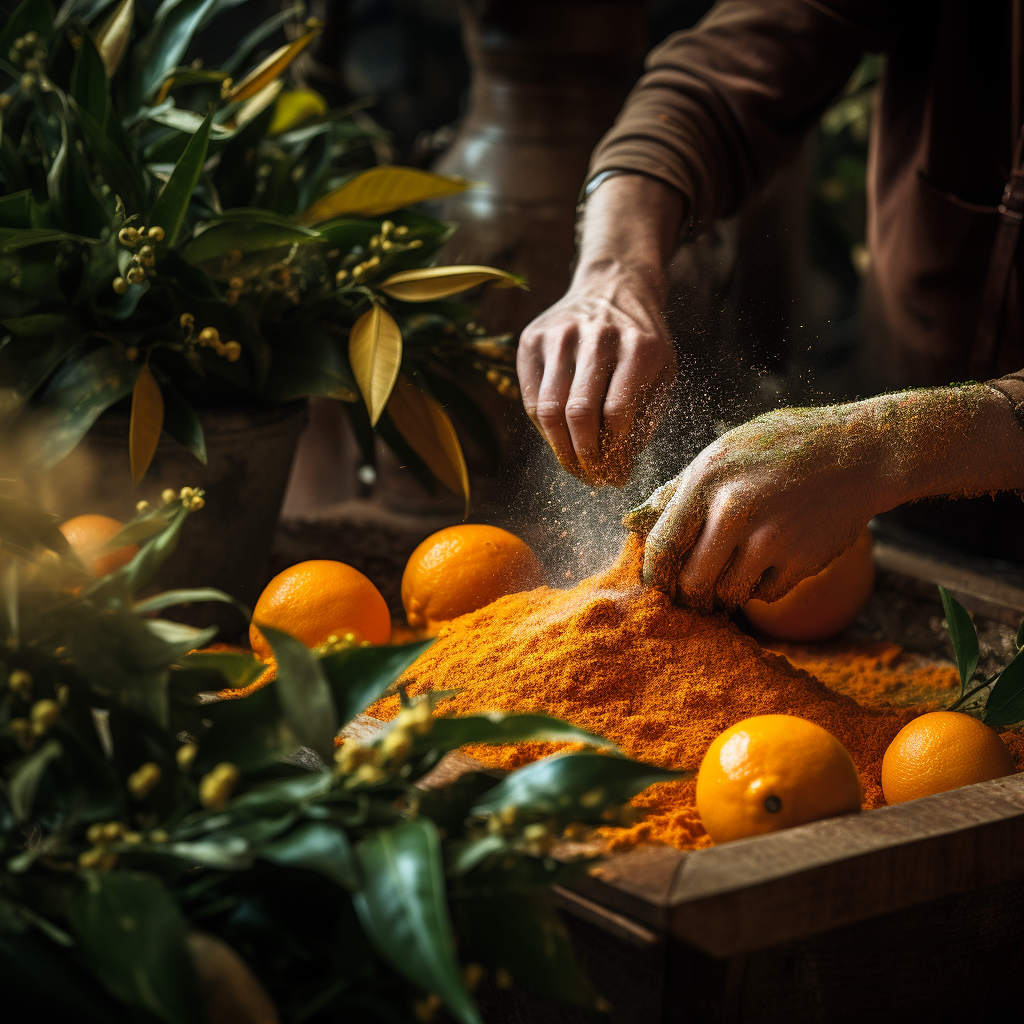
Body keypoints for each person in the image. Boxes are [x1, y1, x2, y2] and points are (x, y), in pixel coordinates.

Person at [516, 0, 1024, 602]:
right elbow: (726, 71)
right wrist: (612, 267)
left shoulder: (875, 457)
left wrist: (888, 447)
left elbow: (883, 453)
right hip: (906, 488)